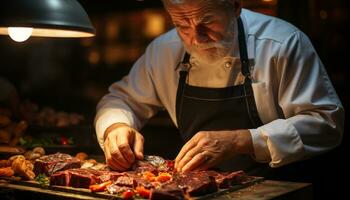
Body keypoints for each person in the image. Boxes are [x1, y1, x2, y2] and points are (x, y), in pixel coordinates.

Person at [94, 0, 344, 177]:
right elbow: (120, 99)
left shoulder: (282, 43)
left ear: (235, 6)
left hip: (281, 185)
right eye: (182, 25)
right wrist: (116, 126)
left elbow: (325, 123)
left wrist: (242, 139)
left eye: (207, 23)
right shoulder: (163, 50)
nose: (196, 39)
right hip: (200, 188)